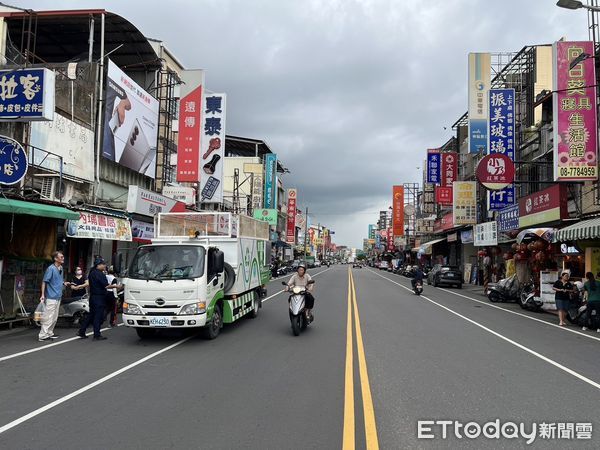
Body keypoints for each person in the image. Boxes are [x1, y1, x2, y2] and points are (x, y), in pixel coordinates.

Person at [77, 258, 120, 340]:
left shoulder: (92, 273)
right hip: (99, 297)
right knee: (98, 316)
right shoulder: (100, 274)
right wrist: (116, 286)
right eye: (103, 264)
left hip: (92, 296)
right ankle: (97, 334)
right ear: (98, 265)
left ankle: (81, 331)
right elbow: (106, 285)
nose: (105, 266)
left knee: (91, 315)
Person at [39, 250, 70, 341]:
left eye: (63, 257)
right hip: (51, 297)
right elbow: (44, 282)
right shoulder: (51, 268)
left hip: (58, 296)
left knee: (54, 317)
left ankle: (49, 333)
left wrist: (64, 283)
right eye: (61, 257)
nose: (63, 258)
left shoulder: (60, 268)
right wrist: (42, 294)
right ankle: (42, 335)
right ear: (55, 258)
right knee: (48, 317)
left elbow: (58, 280)